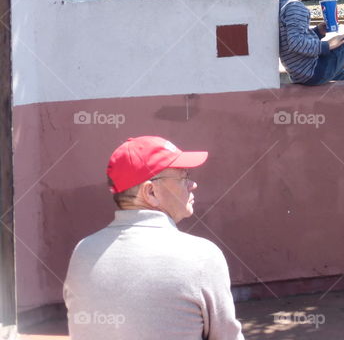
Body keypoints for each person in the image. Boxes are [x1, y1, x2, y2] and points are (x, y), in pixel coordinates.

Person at [63, 136, 244, 340]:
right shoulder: (201, 256)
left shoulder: (83, 251)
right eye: (183, 177)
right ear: (150, 192)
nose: (192, 184)